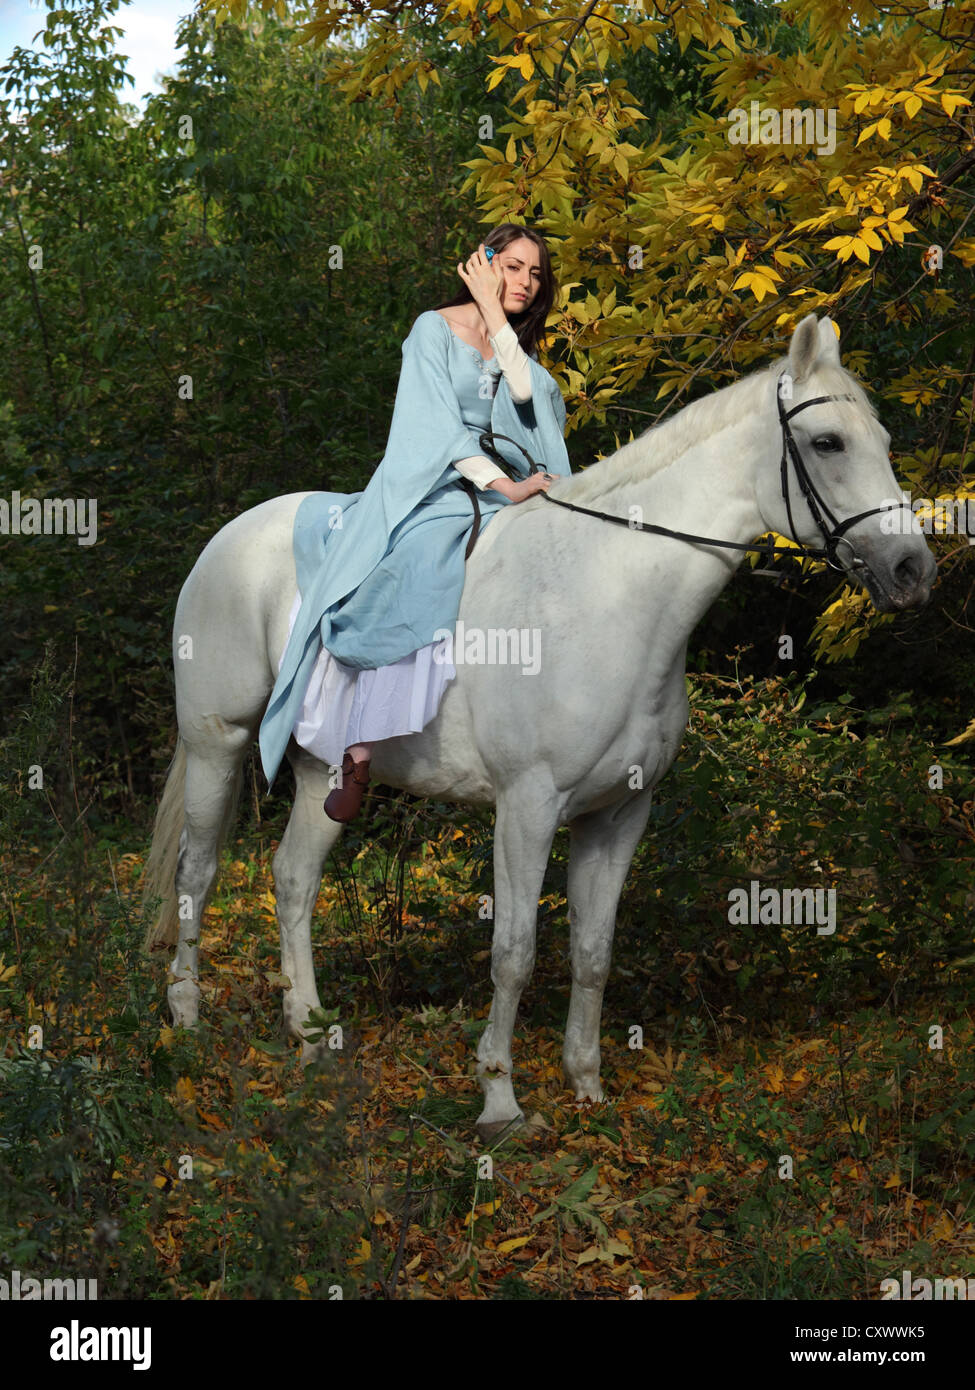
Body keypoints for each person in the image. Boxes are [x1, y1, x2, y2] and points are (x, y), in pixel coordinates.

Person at [257, 223, 572, 822]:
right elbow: (435, 428)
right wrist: (501, 484)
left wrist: (496, 318)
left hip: (513, 484)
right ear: (481, 263)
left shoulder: (513, 350)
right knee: (424, 558)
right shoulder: (433, 329)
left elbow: (532, 400)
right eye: (512, 266)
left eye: (536, 274)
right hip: (433, 482)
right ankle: (359, 750)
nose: (527, 283)